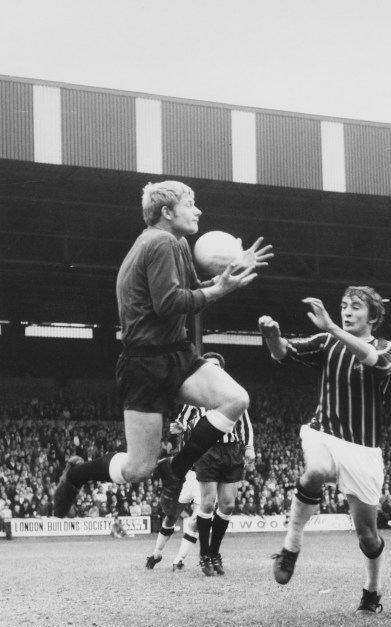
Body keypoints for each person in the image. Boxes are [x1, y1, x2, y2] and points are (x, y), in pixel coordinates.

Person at [51, 181, 271, 528]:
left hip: (176, 353)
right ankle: (77, 473)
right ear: (167, 212)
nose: (198, 210)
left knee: (235, 399)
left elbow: (192, 291)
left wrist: (229, 273)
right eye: (190, 203)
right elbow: (168, 303)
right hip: (145, 362)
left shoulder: (177, 243)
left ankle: (176, 466)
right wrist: (218, 290)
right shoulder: (160, 242)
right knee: (138, 468)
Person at [260, 286, 391, 615]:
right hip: (324, 433)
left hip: (363, 449)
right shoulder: (326, 343)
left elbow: (373, 360)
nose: (347, 312)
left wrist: (333, 326)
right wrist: (272, 336)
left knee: (368, 537)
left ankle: (371, 591)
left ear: (373, 317)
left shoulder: (387, 348)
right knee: (316, 471)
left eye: (355, 307)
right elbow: (283, 353)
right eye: (343, 306)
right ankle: (291, 546)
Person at [147, 352, 256, 575]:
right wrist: (179, 428)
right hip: (206, 453)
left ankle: (213, 553)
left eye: (218, 366)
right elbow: (181, 424)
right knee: (206, 504)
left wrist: (249, 446)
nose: (214, 369)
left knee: (227, 505)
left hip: (232, 451)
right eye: (210, 366)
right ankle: (204, 554)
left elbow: (245, 420)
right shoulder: (197, 398)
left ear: (222, 370)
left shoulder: (233, 392)